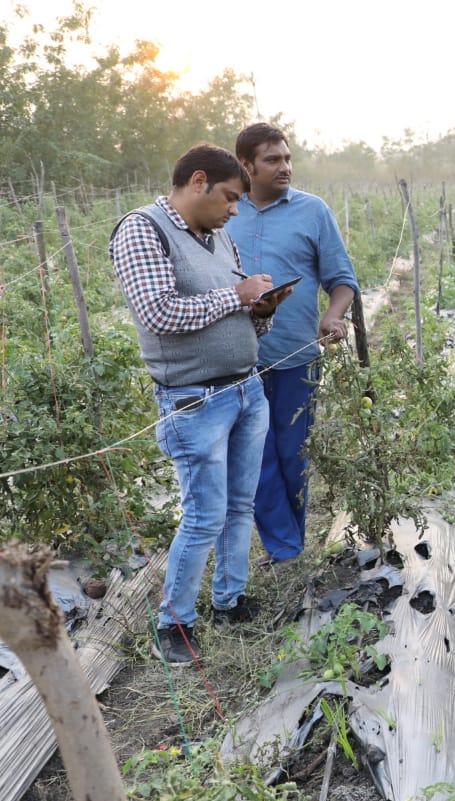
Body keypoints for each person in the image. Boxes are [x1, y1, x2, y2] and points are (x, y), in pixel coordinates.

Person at [109, 143, 290, 665]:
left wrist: (261, 310)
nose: (236, 209)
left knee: (239, 504)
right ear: (197, 182)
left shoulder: (219, 237)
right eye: (230, 198)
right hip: (195, 399)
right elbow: (159, 313)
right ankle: (175, 623)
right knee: (204, 514)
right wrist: (237, 298)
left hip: (244, 388)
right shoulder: (143, 229)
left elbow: (236, 314)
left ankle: (229, 599)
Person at [225, 123, 358, 565]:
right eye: (273, 160)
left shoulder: (312, 211)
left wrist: (333, 314)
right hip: (235, 360)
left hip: (294, 356)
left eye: (287, 158)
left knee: (291, 451)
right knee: (254, 456)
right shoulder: (224, 211)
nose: (285, 167)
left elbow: (343, 280)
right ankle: (285, 547)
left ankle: (287, 540)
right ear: (247, 165)